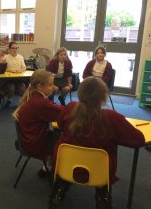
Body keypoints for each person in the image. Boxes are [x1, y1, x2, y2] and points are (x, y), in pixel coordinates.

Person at [50, 77, 145, 209]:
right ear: (103, 96)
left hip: (65, 165)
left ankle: (60, 189)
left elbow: (60, 124)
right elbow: (138, 140)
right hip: (100, 171)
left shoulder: (70, 108)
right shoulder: (111, 117)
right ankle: (102, 196)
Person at [12, 70, 64, 177]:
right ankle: (56, 173)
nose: (53, 87)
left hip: (26, 139)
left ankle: (47, 168)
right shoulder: (40, 103)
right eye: (50, 85)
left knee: (56, 135)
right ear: (40, 86)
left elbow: (52, 109)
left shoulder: (32, 96)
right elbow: (63, 113)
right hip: (35, 144)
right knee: (64, 143)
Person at [3, 42, 27, 108]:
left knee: (22, 88)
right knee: (11, 88)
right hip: (9, 79)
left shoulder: (20, 57)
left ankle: (21, 103)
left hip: (18, 78)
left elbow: (24, 67)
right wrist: (10, 70)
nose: (15, 49)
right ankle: (9, 100)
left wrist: (21, 70)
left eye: (16, 48)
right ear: (9, 49)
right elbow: (2, 69)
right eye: (13, 48)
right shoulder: (6, 57)